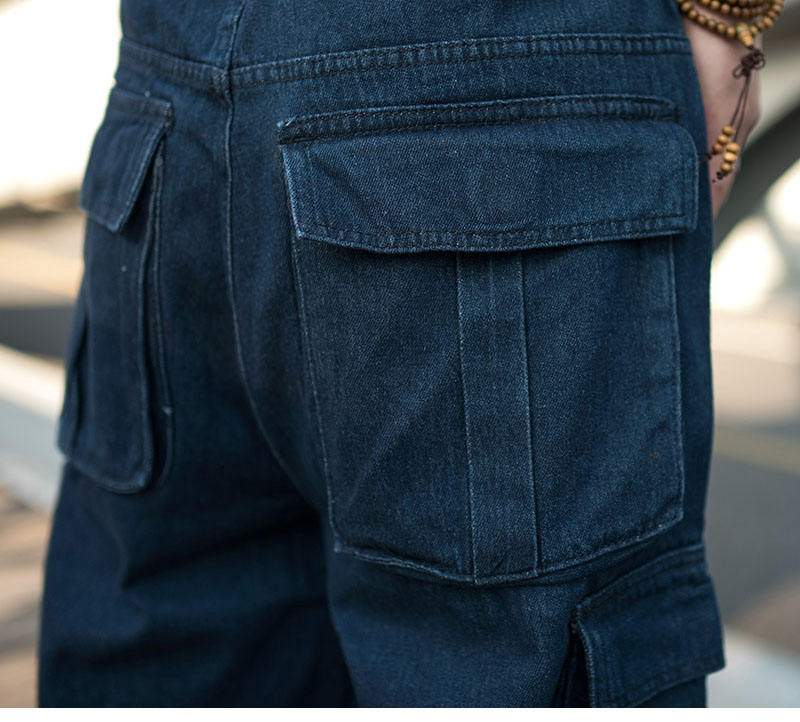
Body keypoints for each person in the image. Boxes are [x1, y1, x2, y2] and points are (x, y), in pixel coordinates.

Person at [39, 0, 760, 706]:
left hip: (170, 92)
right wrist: (731, 15)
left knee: (172, 645)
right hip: (497, 70)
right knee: (507, 664)